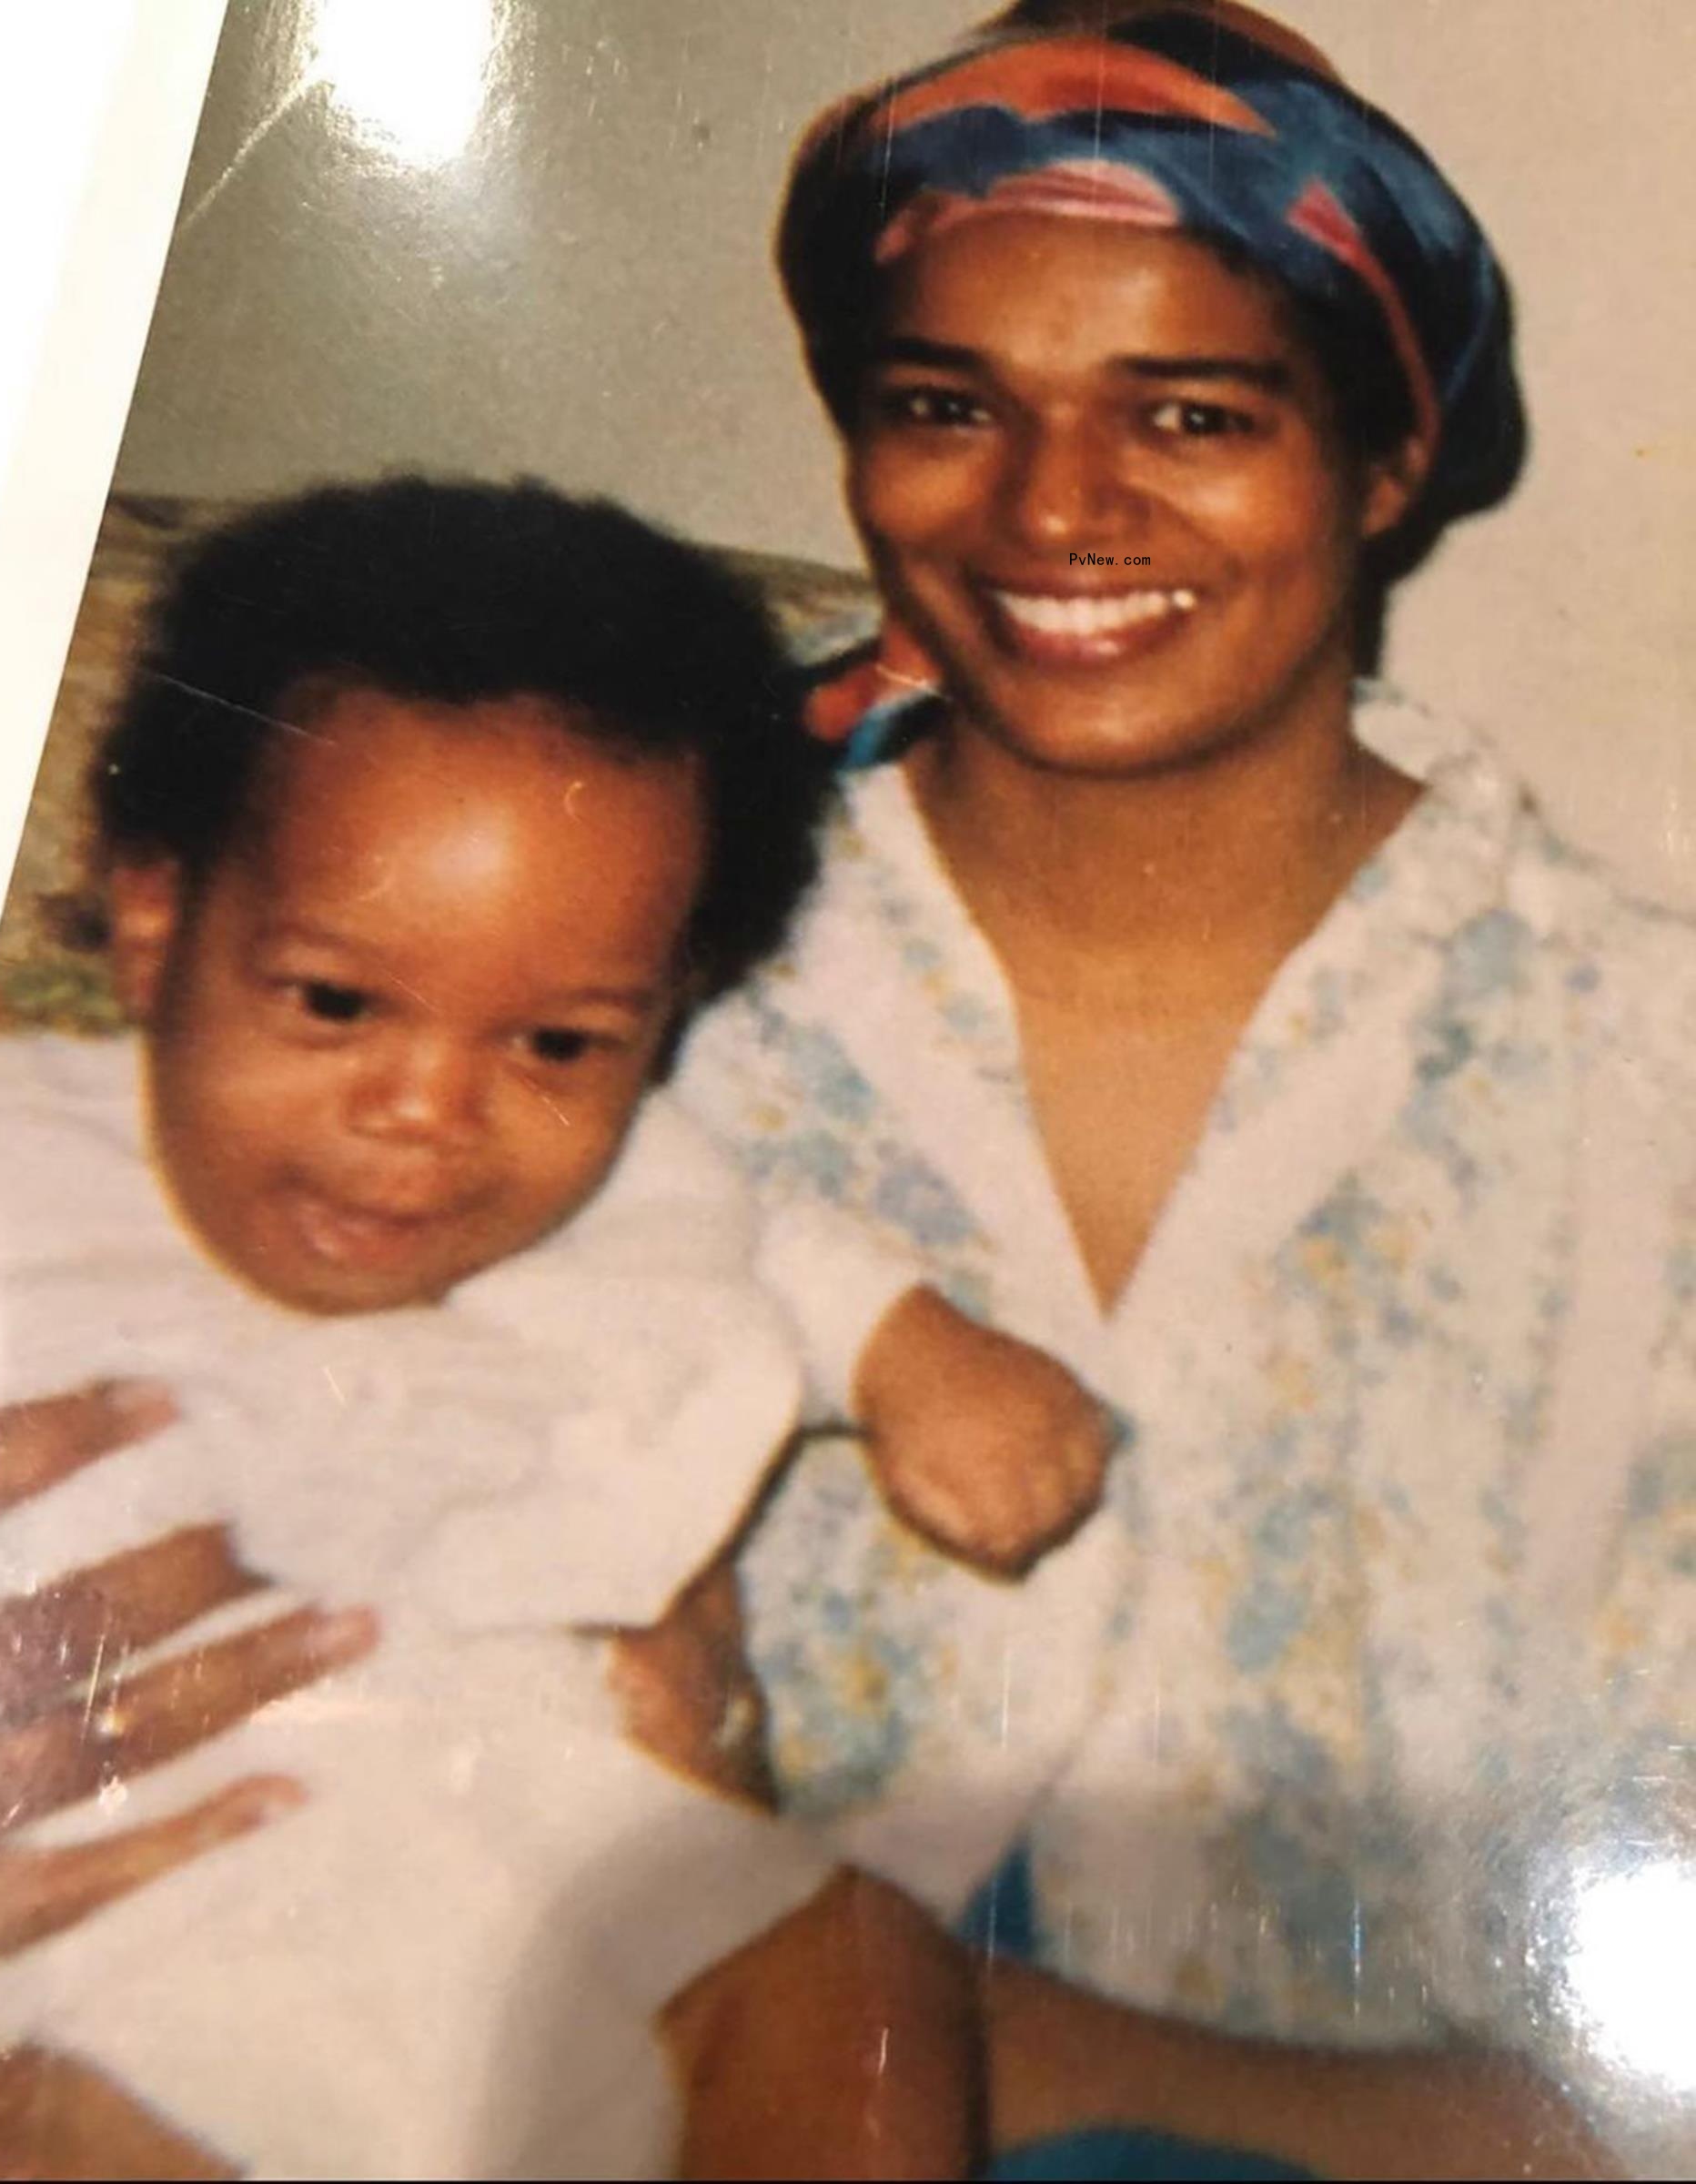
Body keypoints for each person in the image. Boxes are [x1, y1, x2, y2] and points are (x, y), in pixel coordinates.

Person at [667, 1, 1691, 2175]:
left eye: (1194, 415)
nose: (1054, 507)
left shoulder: (1646, 1082)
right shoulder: (615, 976)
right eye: (948, 405)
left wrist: (1009, 2054)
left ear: (1384, 463)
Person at [0, 476, 1109, 2177]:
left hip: (522, 1840)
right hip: (91, 1903)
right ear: (150, 919)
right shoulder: (1, 1144)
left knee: (856, 1972)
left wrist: (935, 1361)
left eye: (558, 1045)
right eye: (338, 1002)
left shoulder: (642, 1194)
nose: (431, 1112)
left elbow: (760, 1240)